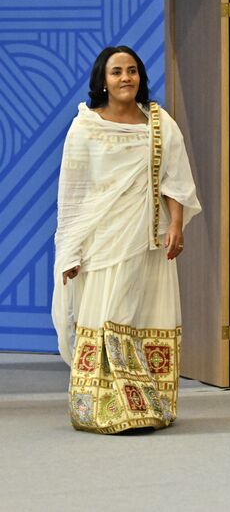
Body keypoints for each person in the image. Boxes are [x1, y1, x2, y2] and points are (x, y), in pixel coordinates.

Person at [52, 46, 201, 434]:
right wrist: (70, 250)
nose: (125, 78)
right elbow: (73, 194)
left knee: (146, 314)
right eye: (116, 72)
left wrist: (177, 225)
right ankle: (107, 408)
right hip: (103, 240)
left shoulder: (158, 122)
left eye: (132, 71)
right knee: (109, 313)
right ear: (102, 79)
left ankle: (148, 403)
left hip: (148, 239)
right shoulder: (85, 126)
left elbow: (175, 178)